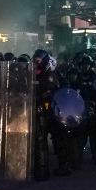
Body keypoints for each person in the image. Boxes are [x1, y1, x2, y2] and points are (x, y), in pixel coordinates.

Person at [32, 49, 61, 180]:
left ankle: (44, 170)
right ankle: (37, 168)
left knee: (42, 140)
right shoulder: (34, 74)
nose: (36, 62)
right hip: (35, 109)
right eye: (35, 60)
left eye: (38, 60)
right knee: (38, 140)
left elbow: (50, 92)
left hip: (47, 110)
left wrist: (39, 97)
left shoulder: (49, 75)